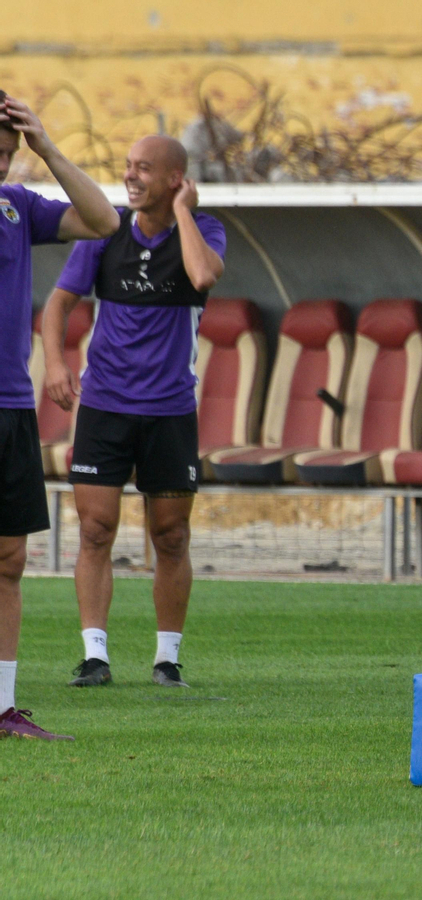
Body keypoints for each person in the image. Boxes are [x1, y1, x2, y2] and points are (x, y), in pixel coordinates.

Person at [40, 135, 227, 690]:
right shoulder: (105, 232)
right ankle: (94, 656)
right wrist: (54, 363)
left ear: (175, 178)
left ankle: (167, 660)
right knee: (96, 530)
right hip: (105, 408)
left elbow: (203, 277)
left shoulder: (205, 230)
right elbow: (58, 304)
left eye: (143, 168)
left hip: (170, 412)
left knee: (171, 537)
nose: (130, 176)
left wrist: (183, 214)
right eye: (127, 167)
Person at [0, 91, 119, 739]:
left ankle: (1, 707)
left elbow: (104, 222)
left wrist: (45, 147)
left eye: (5, 153)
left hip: (10, 405)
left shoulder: (18, 207)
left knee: (10, 559)